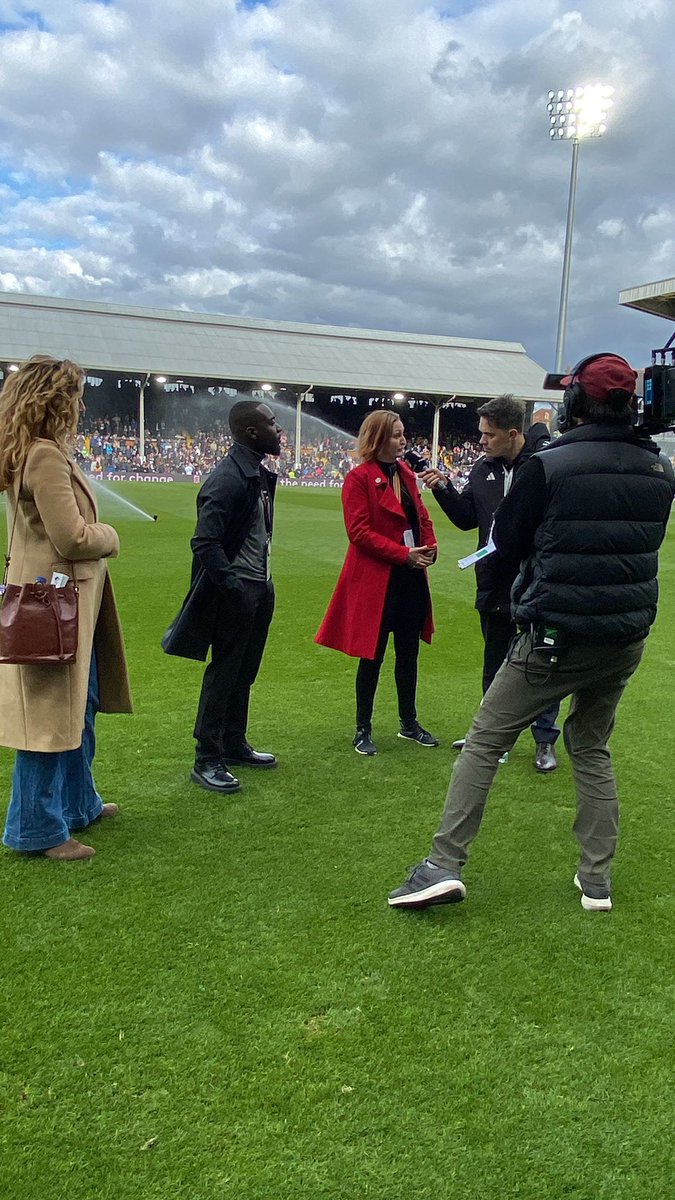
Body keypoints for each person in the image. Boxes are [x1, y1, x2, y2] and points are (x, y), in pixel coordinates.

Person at [389, 353, 674, 913]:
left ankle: (443, 864)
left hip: (555, 635)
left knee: (485, 741)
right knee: (591, 747)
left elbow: (510, 544)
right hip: (624, 637)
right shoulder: (660, 467)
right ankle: (596, 881)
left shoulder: (549, 465)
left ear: (573, 404)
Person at [0, 355, 132, 861]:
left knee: (81, 705)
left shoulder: (38, 451)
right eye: (75, 394)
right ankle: (35, 829)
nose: (82, 403)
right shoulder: (44, 456)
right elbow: (72, 537)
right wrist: (111, 536)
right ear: (55, 400)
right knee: (48, 718)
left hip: (63, 604)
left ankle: (79, 803)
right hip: (54, 607)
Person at [420, 395, 560, 772]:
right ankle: (493, 737)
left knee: (543, 662)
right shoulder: (483, 469)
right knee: (495, 662)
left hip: (535, 582)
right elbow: (468, 518)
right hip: (493, 582)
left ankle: (545, 743)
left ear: (512, 434)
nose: (481, 441)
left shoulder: (543, 467)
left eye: (489, 434)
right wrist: (443, 489)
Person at [163, 400, 282, 794]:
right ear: (251, 431)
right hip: (240, 589)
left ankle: (233, 743)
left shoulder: (255, 473)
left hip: (258, 586)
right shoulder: (228, 478)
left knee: (245, 670)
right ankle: (207, 758)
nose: (278, 430)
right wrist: (233, 587)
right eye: (271, 423)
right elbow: (205, 541)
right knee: (225, 671)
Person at [315, 409, 438, 755]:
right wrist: (404, 554)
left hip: (410, 577)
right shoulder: (359, 478)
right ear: (379, 438)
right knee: (373, 656)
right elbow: (359, 533)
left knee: (409, 654)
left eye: (402, 434)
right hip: (378, 580)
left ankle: (409, 723)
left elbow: (421, 516)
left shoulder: (405, 474)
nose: (403, 441)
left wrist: (431, 547)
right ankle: (362, 728)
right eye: (397, 435)